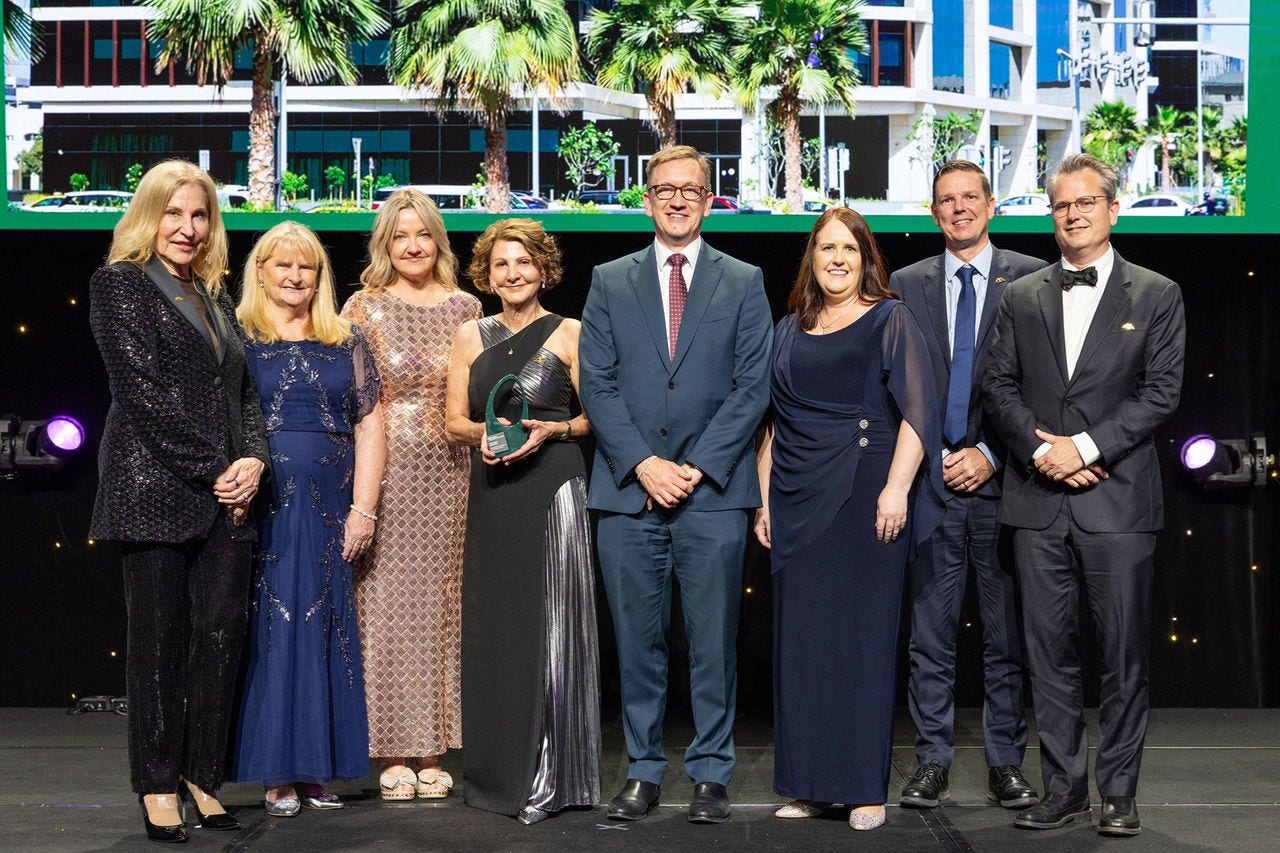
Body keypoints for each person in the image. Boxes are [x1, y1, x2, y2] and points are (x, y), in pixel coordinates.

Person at [982, 154, 1185, 837]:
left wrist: (1086, 447)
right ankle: (1062, 787)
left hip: (1118, 503)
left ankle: (1119, 792)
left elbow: (1160, 393)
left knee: (1123, 654)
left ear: (1112, 209)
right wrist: (1045, 453)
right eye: (1062, 205)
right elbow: (997, 389)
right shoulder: (1020, 294)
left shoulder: (1157, 293)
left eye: (1085, 203)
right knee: (1049, 654)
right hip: (1038, 502)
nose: (1073, 214)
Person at [578, 145, 773, 825]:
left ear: (709, 197)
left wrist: (696, 465)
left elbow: (754, 386)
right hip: (629, 491)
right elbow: (595, 383)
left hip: (713, 492)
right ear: (648, 197)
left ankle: (711, 773)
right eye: (666, 188)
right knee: (637, 641)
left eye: (691, 189)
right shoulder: (609, 279)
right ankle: (642, 769)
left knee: (714, 641)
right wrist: (642, 463)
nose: (679, 199)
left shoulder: (744, 280)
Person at [88, 159, 269, 843]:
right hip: (153, 487)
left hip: (227, 492)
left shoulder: (216, 298)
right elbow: (146, 397)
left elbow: (244, 395)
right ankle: (158, 783)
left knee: (221, 637)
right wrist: (220, 467)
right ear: (148, 216)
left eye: (199, 215)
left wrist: (253, 459)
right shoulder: (120, 285)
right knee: (158, 643)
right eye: (173, 213)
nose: (187, 228)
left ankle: (201, 775)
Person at [754, 207, 943, 832]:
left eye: (849, 250)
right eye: (826, 248)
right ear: (810, 257)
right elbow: (773, 426)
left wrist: (896, 490)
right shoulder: (787, 329)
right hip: (796, 500)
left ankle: (864, 787)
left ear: (866, 259)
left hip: (867, 494)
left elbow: (920, 412)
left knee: (862, 643)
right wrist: (764, 501)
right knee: (803, 646)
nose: (836, 259)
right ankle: (807, 785)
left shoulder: (891, 319)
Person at [891, 160, 1047, 811]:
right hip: (929, 484)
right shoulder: (904, 283)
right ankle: (931, 759)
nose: (958, 209)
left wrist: (987, 450)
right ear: (934, 213)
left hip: (1004, 481)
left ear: (990, 205)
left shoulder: (1033, 277)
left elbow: (1042, 385)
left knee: (1005, 634)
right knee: (930, 633)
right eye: (946, 201)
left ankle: (1007, 762)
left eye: (969, 198)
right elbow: (898, 386)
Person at [445, 218, 601, 826]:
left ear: (544, 269)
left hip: (553, 485)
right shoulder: (468, 335)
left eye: (524, 263)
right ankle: (494, 775)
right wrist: (487, 434)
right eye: (501, 264)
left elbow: (595, 417)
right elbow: (453, 421)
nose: (513, 274)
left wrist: (551, 430)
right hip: (493, 489)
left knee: (551, 623)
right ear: (487, 273)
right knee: (497, 627)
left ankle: (550, 776)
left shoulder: (570, 333)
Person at [229, 222, 387, 816]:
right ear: (261, 270)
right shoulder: (238, 337)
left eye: (308, 268)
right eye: (283, 265)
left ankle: (317, 769)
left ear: (319, 277)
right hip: (263, 506)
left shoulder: (346, 339)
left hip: (330, 507)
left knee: (325, 629)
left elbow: (370, 424)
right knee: (271, 630)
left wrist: (363, 509)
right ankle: (275, 771)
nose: (296, 277)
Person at [341, 190, 482, 800]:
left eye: (423, 233)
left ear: (438, 240)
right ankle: (391, 750)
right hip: (385, 471)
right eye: (400, 236)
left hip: (453, 472)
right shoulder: (361, 307)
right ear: (385, 245)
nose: (413, 246)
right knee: (385, 610)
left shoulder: (466, 307)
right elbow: (351, 402)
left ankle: (433, 746)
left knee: (442, 610)